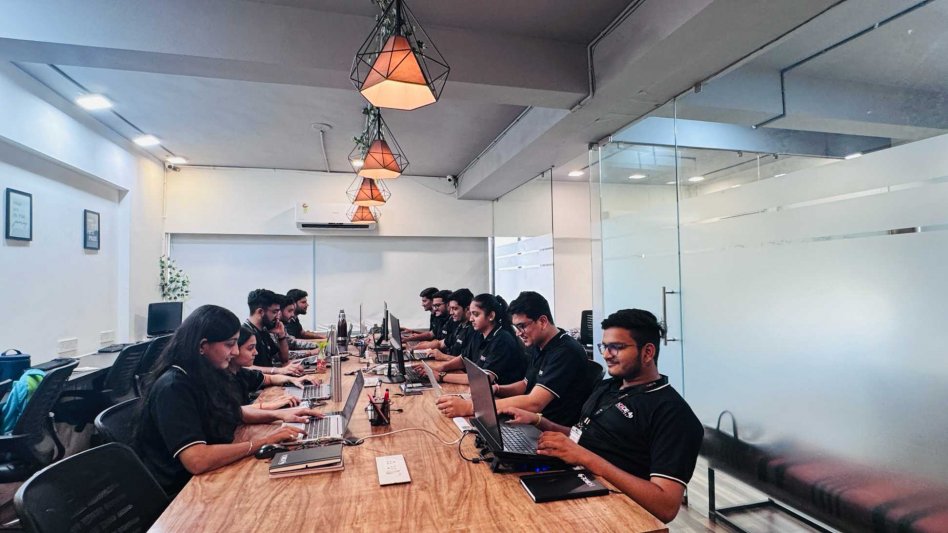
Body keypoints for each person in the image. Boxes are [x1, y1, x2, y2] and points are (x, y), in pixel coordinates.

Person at [500, 309, 703, 523]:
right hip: (578, 483)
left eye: (617, 347)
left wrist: (584, 457)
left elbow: (666, 506)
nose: (606, 355)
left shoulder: (673, 414)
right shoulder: (609, 387)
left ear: (647, 352)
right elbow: (582, 437)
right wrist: (539, 421)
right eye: (604, 346)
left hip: (616, 511)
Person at [135, 304, 323, 495]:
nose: (235, 352)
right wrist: (264, 441)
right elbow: (197, 460)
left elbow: (231, 411)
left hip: (212, 474)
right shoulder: (174, 387)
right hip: (187, 490)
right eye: (229, 344)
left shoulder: (207, 372)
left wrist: (282, 415)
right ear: (202, 346)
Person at [434, 291, 594, 426]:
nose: (518, 333)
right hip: (528, 419)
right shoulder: (540, 344)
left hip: (547, 431)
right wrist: (498, 389)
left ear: (543, 321)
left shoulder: (565, 351)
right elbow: (525, 384)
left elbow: (534, 402)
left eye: (522, 326)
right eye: (516, 327)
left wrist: (471, 407)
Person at [428, 293, 527, 389]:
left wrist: (441, 376)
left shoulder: (502, 340)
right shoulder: (478, 334)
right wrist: (441, 368)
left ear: (491, 316)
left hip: (499, 395)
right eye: (471, 314)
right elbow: (463, 359)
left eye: (475, 314)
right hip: (482, 389)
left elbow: (483, 378)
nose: (471, 319)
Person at [229, 325, 316, 409]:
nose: (256, 352)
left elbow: (269, 378)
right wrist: (271, 404)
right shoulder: (224, 381)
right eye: (250, 348)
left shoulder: (241, 372)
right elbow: (237, 411)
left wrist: (293, 379)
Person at [244, 289, 303, 376]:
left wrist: (281, 336)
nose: (277, 317)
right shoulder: (244, 334)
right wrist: (277, 370)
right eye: (274, 312)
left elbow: (284, 359)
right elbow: (244, 367)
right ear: (260, 312)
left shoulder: (264, 330)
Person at [276, 294, 320, 358]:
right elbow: (278, 356)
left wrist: (317, 344)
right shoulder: (271, 329)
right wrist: (310, 352)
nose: (292, 314)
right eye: (290, 311)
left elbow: (292, 342)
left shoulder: (281, 325)